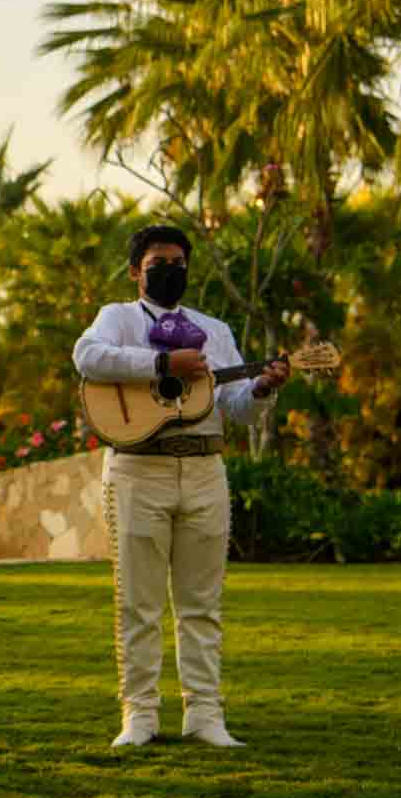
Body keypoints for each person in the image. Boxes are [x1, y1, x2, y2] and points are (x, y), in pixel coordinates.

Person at [72, 223, 288, 749]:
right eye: (158, 263)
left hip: (204, 471)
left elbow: (237, 409)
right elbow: (88, 357)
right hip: (137, 467)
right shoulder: (117, 318)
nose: (171, 272)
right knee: (138, 602)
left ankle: (204, 714)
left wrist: (261, 390)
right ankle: (140, 715)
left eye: (179, 264)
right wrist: (163, 363)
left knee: (202, 603)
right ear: (135, 271)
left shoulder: (213, 329)